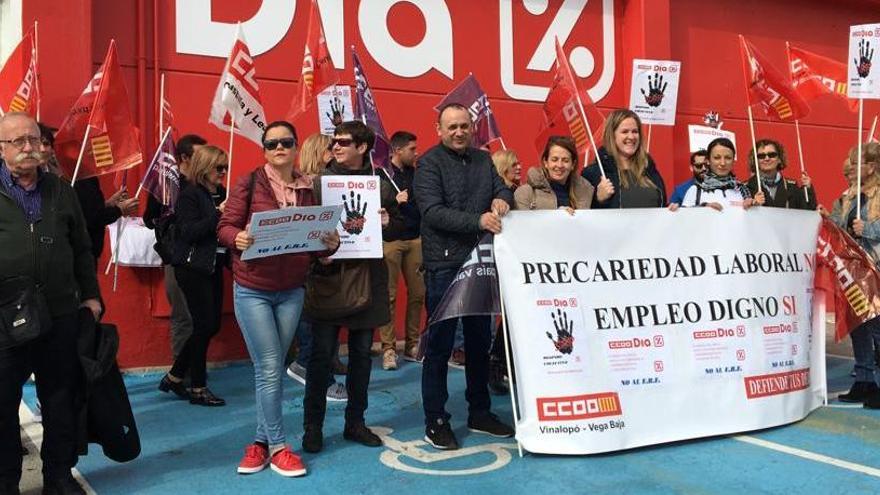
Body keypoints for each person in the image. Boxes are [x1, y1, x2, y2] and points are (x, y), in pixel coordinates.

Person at [218, 121, 339, 477]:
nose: (279, 148)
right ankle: (279, 446)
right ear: (265, 150)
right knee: (271, 365)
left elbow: (312, 239)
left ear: (296, 146)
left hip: (291, 289)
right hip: (253, 286)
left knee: (269, 367)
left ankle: (257, 442)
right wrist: (236, 237)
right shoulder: (249, 182)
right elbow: (225, 226)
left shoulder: (307, 189)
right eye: (272, 144)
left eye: (286, 142)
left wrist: (329, 246)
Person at [0, 112, 102, 495]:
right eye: (18, 142)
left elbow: (81, 249)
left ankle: (58, 475)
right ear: (1, 149)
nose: (30, 148)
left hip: (59, 315)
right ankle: (5, 478)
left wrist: (91, 295)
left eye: (34, 140)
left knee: (60, 399)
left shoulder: (62, 191)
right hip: (4, 317)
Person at [414, 103, 515, 450]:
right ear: (439, 129)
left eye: (464, 126)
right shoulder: (427, 163)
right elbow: (432, 212)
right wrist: (478, 221)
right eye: (452, 126)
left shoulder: (484, 160)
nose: (459, 131)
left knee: (478, 344)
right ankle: (436, 418)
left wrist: (502, 201)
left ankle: (480, 412)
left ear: (472, 128)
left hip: (480, 263)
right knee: (440, 347)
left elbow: (503, 188)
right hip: (443, 267)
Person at [301, 120, 391, 454]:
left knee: (362, 358)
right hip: (329, 279)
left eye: (343, 141)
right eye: (334, 141)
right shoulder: (319, 183)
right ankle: (313, 427)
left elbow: (403, 228)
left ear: (363, 147)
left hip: (368, 279)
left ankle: (356, 422)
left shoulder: (381, 183)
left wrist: (387, 222)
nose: (335, 146)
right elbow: (307, 230)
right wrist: (317, 254)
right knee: (321, 358)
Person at [157, 145, 228, 407]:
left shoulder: (221, 194)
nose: (223, 172)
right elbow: (189, 231)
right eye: (218, 167)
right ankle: (198, 387)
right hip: (193, 267)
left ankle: (175, 376)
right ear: (203, 167)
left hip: (214, 265)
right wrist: (219, 214)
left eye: (225, 167)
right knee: (204, 325)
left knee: (211, 325)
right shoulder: (190, 195)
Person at [285, 132, 348, 402]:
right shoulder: (308, 187)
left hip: (324, 261)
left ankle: (321, 365)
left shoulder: (326, 184)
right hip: (310, 265)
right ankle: (312, 368)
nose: (335, 154)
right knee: (313, 322)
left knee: (324, 319)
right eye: (329, 150)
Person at [824, 144, 880, 406]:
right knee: (858, 325)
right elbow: (839, 225)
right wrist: (828, 219)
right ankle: (864, 379)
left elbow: (870, 229)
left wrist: (867, 227)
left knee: (877, 328)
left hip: (875, 268)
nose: (852, 169)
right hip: (854, 270)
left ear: (871, 167)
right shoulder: (848, 196)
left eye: (857, 164)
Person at [38, 123, 139, 265]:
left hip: (84, 252)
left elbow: (87, 211)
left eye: (48, 144)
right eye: (40, 143)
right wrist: (118, 210)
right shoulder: (35, 179)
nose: (44, 149)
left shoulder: (80, 172)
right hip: (57, 254)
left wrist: (108, 205)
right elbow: (89, 216)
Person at [144, 134, 205, 362]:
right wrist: (170, 223)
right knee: (183, 316)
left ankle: (195, 368)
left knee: (203, 318)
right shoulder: (166, 186)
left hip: (204, 259)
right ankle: (182, 372)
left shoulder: (207, 183)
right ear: (184, 158)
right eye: (200, 156)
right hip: (177, 259)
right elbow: (149, 218)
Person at [378, 130, 425, 370]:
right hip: (390, 241)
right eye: (412, 149)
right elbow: (371, 207)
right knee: (389, 295)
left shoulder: (418, 175)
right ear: (397, 150)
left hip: (415, 240)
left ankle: (412, 345)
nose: (415, 153)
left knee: (418, 294)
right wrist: (393, 200)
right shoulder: (380, 175)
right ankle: (388, 349)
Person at [581, 109, 664, 208]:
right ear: (612, 135)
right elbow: (583, 216)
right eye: (625, 132)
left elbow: (662, 206)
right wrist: (598, 199)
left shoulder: (649, 169)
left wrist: (672, 210)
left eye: (635, 131)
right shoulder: (593, 173)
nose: (631, 137)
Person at [677, 137, 764, 210]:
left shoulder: (742, 190)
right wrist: (703, 207)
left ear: (733, 161)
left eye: (728, 158)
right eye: (717, 158)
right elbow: (685, 220)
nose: (722, 163)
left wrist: (754, 207)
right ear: (708, 161)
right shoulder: (695, 190)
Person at [514, 135, 594, 212]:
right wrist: (555, 216)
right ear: (545, 162)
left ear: (573, 164)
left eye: (565, 160)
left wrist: (601, 200)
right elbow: (522, 225)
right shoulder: (525, 193)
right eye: (554, 160)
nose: (559, 165)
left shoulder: (586, 192)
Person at [746, 139, 816, 210]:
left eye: (772, 155)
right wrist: (752, 204)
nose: (767, 158)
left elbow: (808, 212)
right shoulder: (746, 188)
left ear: (779, 159)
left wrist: (808, 188)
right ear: (755, 160)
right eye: (761, 156)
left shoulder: (791, 187)